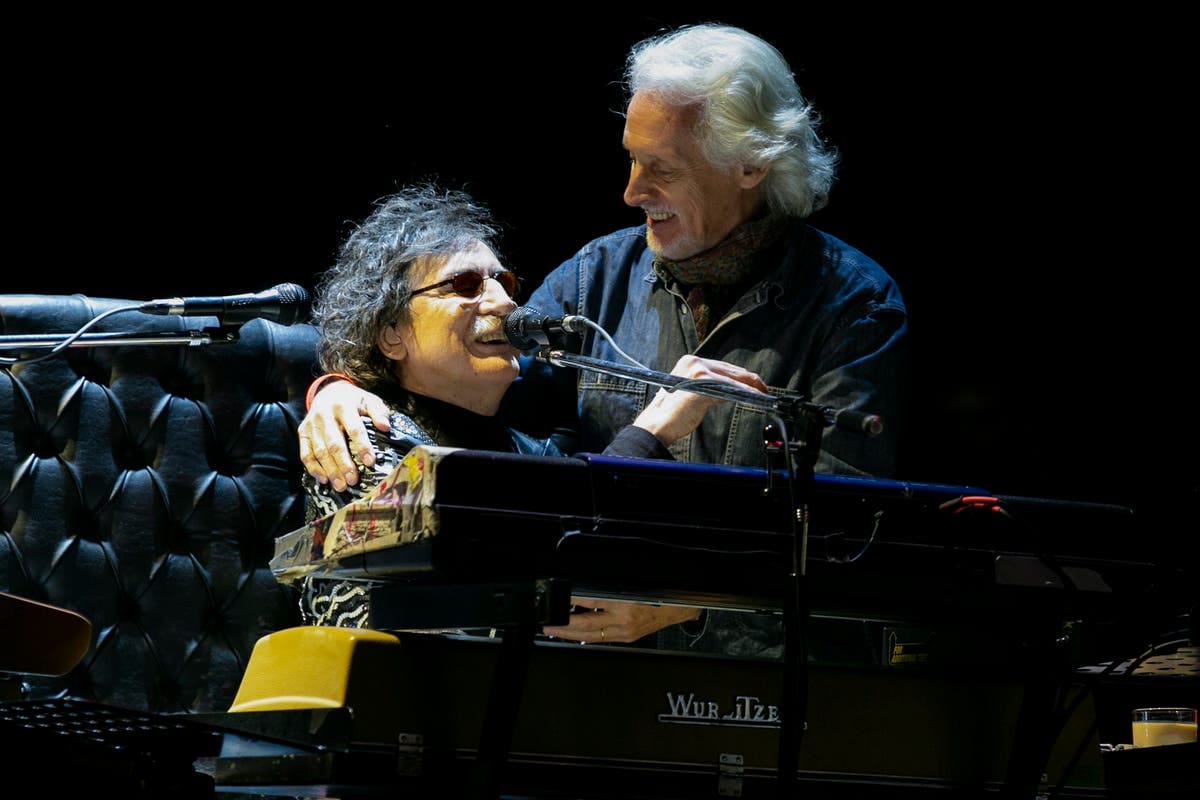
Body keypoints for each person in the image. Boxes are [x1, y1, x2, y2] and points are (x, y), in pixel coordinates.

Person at [300, 24, 907, 658]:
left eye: (661, 168)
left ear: (751, 165)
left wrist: (689, 602)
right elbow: (467, 371)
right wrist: (341, 386)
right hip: (598, 670)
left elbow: (847, 536)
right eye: (632, 159)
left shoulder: (851, 305)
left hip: (760, 674)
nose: (631, 191)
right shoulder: (595, 278)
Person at [296, 181, 769, 629]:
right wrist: (650, 434)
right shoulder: (361, 439)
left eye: (503, 281)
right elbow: (503, 594)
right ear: (390, 335)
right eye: (464, 284)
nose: (505, 303)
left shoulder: (533, 453)